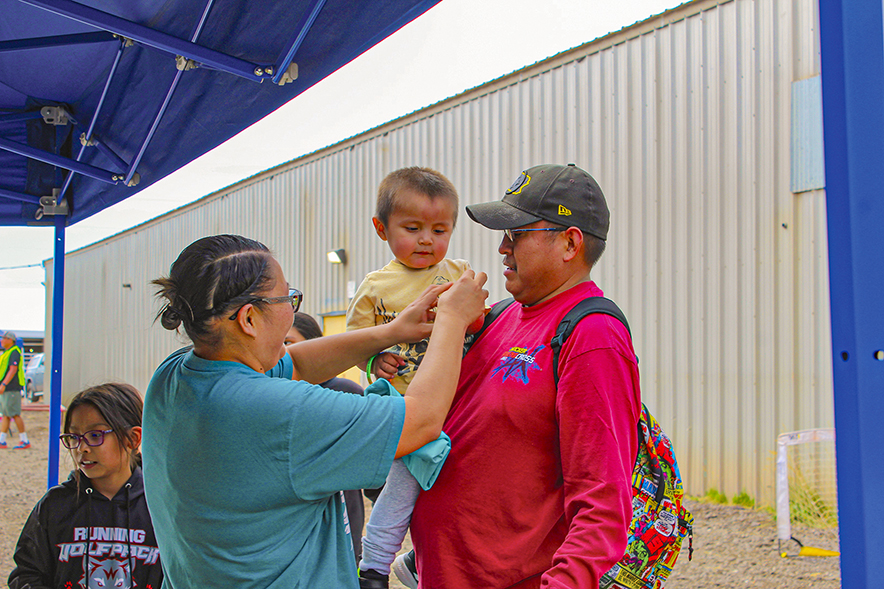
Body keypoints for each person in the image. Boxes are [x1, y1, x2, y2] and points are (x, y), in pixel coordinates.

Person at [142, 234, 487, 589]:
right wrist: (452, 319)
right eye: (288, 298)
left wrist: (393, 331)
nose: (292, 308)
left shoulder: (173, 377)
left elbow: (301, 362)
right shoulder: (280, 412)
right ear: (249, 319)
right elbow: (422, 421)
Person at [409, 164, 643, 588]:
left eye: (516, 233)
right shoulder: (497, 316)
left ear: (570, 243)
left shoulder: (592, 334)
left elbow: (603, 500)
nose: (502, 248)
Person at [345, 167, 477, 588]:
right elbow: (355, 342)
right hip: (406, 413)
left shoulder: (459, 275)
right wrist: (372, 362)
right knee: (401, 489)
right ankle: (375, 565)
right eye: (413, 227)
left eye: (440, 230)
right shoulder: (375, 287)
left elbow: (483, 326)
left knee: (465, 488)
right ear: (381, 229)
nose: (426, 240)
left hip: (459, 406)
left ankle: (420, 562)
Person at [8, 383, 163, 589]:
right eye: (74, 437)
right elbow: (26, 575)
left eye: (95, 435)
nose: (82, 448)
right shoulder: (54, 506)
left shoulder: (162, 507)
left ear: (132, 438)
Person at [286, 311, 368, 563]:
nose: (281, 352)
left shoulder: (345, 394)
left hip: (342, 542)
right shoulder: (270, 398)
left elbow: (377, 480)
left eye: (288, 342)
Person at [0, 330, 29, 449]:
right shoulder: (7, 352)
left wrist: (4, 384)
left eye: (3, 338)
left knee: (15, 414)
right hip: (7, 388)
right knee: (6, 414)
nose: (1, 341)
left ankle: (24, 440)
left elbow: (13, 369)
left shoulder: (14, 352)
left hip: (11, 388)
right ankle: (2, 440)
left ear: (10, 340)